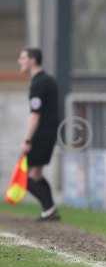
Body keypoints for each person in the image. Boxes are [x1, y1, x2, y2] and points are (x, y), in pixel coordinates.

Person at [18, 47, 60, 221]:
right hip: (49, 132)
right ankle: (50, 210)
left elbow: (35, 115)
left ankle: (48, 209)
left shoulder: (38, 83)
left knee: (27, 177)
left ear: (32, 60)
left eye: (22, 58)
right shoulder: (48, 80)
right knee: (37, 174)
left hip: (42, 134)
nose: (20, 61)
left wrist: (27, 140)